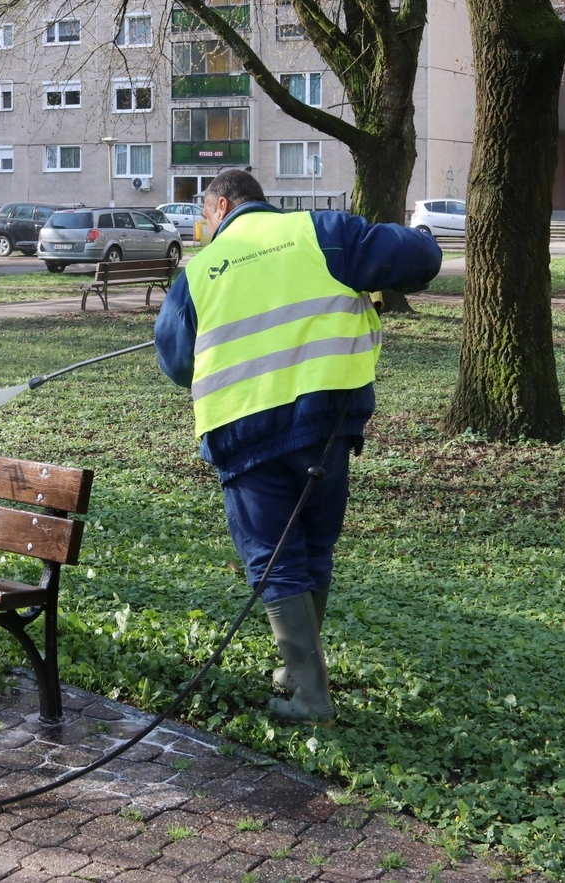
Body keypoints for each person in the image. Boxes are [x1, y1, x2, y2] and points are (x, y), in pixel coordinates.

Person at [154, 170, 442, 724]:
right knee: (312, 545)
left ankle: (309, 696)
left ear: (220, 205)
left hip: (244, 433)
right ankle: (298, 673)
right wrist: (426, 237)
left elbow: (176, 361)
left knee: (274, 559)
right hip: (325, 428)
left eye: (205, 215)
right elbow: (418, 259)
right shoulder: (322, 233)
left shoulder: (200, 272)